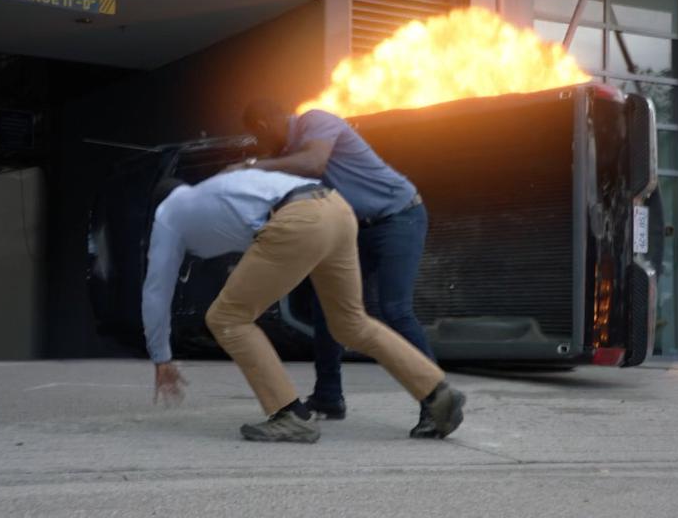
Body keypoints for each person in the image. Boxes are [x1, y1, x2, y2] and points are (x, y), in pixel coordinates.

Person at [143, 169, 466, 443]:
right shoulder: (214, 190)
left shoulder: (167, 215)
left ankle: (289, 415)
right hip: (336, 208)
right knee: (350, 322)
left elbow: (156, 290)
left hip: (298, 219)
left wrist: (161, 357)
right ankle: (437, 394)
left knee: (227, 317)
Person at [241, 99, 439, 437]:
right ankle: (328, 397)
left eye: (256, 139)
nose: (259, 147)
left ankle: (437, 402)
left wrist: (257, 164)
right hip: (357, 229)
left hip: (399, 218)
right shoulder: (289, 155)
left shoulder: (313, 122)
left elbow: (315, 162)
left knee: (395, 309)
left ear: (262, 124)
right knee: (327, 307)